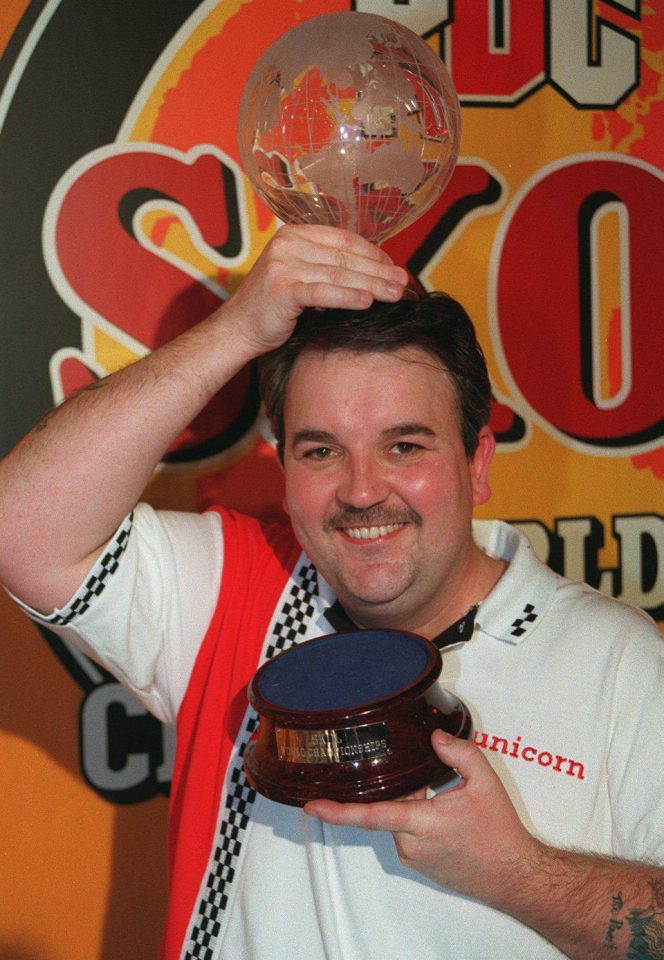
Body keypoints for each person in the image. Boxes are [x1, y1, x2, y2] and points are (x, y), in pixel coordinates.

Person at [1, 224, 663, 960]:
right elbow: (21, 526)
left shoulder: (618, 662)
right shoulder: (230, 584)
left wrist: (520, 874)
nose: (361, 491)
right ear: (284, 470)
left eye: (404, 446)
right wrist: (238, 329)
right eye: (321, 451)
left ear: (477, 463)